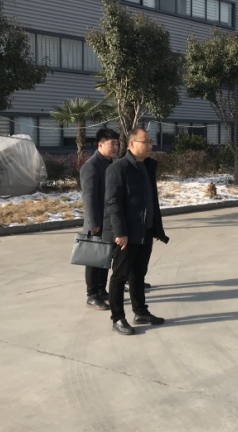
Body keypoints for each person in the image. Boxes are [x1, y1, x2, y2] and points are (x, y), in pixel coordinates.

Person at [104, 128, 169, 336]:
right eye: (145, 142)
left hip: (145, 231)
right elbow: (113, 203)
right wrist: (120, 232)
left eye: (150, 142)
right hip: (126, 234)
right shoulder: (118, 169)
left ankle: (140, 312)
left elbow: (152, 201)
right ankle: (117, 318)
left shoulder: (147, 166)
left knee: (139, 274)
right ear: (131, 144)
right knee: (120, 276)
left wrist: (156, 228)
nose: (150, 146)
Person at [80, 128, 119, 310]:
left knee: (104, 258)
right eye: (112, 144)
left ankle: (102, 290)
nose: (115, 147)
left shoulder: (110, 164)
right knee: (93, 260)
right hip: (96, 222)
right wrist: (93, 223)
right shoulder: (92, 166)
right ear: (100, 145)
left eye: (117, 144)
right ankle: (92, 295)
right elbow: (88, 197)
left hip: (109, 221)